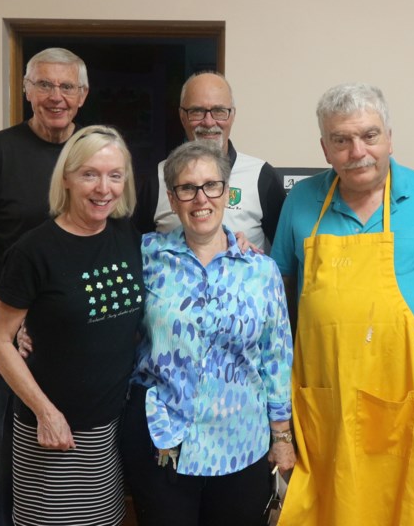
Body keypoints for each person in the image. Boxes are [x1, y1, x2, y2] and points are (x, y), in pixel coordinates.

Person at [271, 84, 414, 526]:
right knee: (337, 504)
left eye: (369, 136)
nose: (357, 151)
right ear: (324, 148)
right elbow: (279, 293)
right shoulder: (301, 200)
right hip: (326, 392)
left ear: (389, 136)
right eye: (341, 140)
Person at [121, 140, 295, 525]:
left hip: (242, 444)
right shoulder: (146, 255)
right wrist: (33, 323)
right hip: (163, 439)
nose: (201, 198)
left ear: (227, 191)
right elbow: (87, 275)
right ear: (172, 197)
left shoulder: (260, 270)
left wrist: (281, 437)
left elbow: (276, 356)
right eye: (187, 188)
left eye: (211, 186)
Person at [0, 47, 89, 524]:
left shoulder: (94, 151)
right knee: (3, 456)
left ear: (83, 95)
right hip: (5, 330)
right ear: (27, 91)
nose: (56, 96)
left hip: (75, 331)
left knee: (68, 451)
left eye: (66, 86)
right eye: (45, 85)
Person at [0, 125, 143, 526]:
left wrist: (236, 241)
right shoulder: (34, 251)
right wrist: (46, 413)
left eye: (114, 175)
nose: (103, 188)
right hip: (54, 429)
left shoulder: (127, 236)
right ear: (68, 179)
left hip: (110, 427)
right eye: (89, 174)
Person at [134, 71, 286, 252]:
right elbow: (136, 252)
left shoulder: (262, 176)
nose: (208, 122)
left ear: (232, 115)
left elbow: (284, 260)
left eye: (219, 111)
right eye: (197, 111)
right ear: (182, 116)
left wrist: (251, 262)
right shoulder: (157, 179)